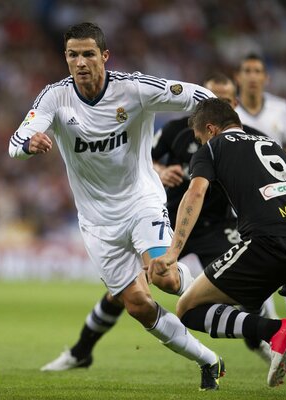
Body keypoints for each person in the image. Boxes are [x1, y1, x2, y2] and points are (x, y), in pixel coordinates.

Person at [9, 22, 225, 391]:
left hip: (141, 200)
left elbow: (202, 98)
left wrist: (210, 130)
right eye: (72, 55)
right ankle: (208, 360)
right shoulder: (55, 97)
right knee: (138, 305)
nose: (80, 62)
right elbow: (17, 140)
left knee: (165, 277)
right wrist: (30, 145)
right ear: (65, 57)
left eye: (88, 54)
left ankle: (221, 292)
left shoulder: (135, 89)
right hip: (96, 222)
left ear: (104, 56)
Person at [39, 73, 272, 373]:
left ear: (234, 105)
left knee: (234, 287)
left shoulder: (247, 139)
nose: (213, 107)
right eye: (209, 100)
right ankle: (81, 350)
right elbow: (141, 158)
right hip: (175, 216)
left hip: (217, 225)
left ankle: (261, 335)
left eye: (223, 101)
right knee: (127, 293)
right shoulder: (179, 131)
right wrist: (160, 171)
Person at [148, 98, 286, 387]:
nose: (199, 144)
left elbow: (195, 194)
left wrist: (173, 251)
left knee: (188, 308)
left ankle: (275, 330)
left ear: (210, 130)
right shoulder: (270, 143)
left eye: (199, 138)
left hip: (271, 242)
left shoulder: (211, 149)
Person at [235, 52, 286, 348]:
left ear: (266, 78)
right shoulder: (232, 110)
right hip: (245, 199)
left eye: (258, 70)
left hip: (280, 195)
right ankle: (273, 329)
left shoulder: (279, 108)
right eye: (247, 70)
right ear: (239, 77)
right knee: (261, 262)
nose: (253, 76)